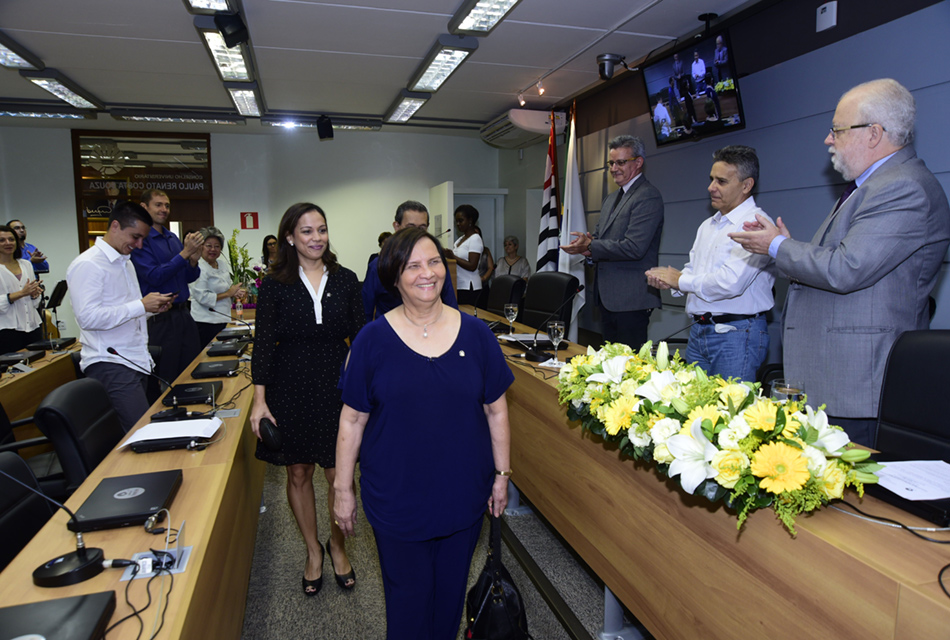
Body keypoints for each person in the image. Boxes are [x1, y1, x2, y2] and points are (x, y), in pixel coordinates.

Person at [729, 78, 950, 446]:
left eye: (837, 130)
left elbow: (846, 269)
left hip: (857, 384)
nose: (828, 140)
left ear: (874, 133)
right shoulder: (870, 187)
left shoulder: (903, 187)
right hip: (835, 380)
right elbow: (836, 262)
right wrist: (779, 247)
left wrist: (778, 246)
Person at [334, 227, 513, 640]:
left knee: (450, 600)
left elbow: (496, 409)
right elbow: (352, 420)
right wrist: (343, 489)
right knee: (408, 602)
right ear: (394, 276)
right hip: (397, 497)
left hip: (462, 495)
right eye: (413, 265)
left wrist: (502, 476)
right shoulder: (371, 340)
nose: (427, 273)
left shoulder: (476, 334)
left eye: (434, 262)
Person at [250, 203, 363, 597]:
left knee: (338, 475)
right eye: (307, 231)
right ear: (289, 237)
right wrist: (259, 401)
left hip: (336, 388)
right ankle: (313, 550)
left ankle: (338, 546)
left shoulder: (347, 280)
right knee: (298, 472)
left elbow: (361, 336)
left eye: (322, 230)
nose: (316, 238)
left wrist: (354, 370)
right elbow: (262, 345)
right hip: (289, 387)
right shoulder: (274, 284)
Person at [646, 146, 774, 381]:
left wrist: (681, 280)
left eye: (721, 181)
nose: (711, 187)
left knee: (729, 412)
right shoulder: (708, 225)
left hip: (736, 335)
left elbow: (731, 283)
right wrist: (672, 282)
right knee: (696, 410)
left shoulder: (756, 225)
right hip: (699, 332)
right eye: (711, 179)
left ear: (746, 186)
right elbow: (695, 271)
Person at [66, 202, 175, 432]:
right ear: (115, 226)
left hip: (134, 358)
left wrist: (149, 309)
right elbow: (88, 318)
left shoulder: (125, 263)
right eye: (135, 237)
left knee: (135, 432)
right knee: (140, 433)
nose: (139, 244)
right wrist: (140, 305)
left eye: (142, 238)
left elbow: (125, 314)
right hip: (110, 363)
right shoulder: (88, 264)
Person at [561, 134, 664, 349]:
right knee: (609, 365)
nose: (614, 168)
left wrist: (591, 246)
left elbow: (634, 247)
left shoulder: (648, 196)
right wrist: (587, 246)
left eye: (621, 162)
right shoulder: (611, 199)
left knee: (628, 368)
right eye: (611, 163)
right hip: (608, 298)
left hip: (631, 300)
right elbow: (599, 239)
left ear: (638, 163)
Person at [130, 189, 204, 384]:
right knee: (166, 377)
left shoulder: (172, 238)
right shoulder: (140, 241)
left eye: (167, 205)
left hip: (183, 314)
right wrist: (184, 255)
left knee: (191, 372)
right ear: (144, 207)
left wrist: (194, 260)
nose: (164, 209)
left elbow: (187, 277)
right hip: (160, 318)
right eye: (158, 205)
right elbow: (155, 276)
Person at [361, 200, 458, 322]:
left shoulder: (437, 262)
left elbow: (449, 301)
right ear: (397, 226)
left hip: (432, 332)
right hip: (390, 333)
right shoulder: (379, 266)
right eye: (410, 227)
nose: (416, 234)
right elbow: (365, 310)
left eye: (422, 228)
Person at [189, 227, 246, 346]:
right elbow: (203, 297)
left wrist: (235, 292)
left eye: (217, 246)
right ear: (201, 247)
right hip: (205, 323)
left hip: (223, 319)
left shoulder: (222, 264)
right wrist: (228, 293)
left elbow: (226, 289)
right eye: (209, 245)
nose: (213, 249)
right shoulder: (198, 266)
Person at [0, 225, 43, 354]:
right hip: (7, 330)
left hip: (32, 325)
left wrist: (35, 294)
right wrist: (21, 293)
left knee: (39, 366)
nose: (8, 243)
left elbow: (34, 302)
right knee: (14, 371)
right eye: (2, 240)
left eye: (11, 239)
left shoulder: (26, 264)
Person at [452, 204, 483, 306]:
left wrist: (453, 257)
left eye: (461, 220)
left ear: (470, 220)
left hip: (470, 287)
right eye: (456, 221)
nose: (458, 224)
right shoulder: (459, 240)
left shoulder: (475, 239)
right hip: (459, 286)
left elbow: (472, 266)